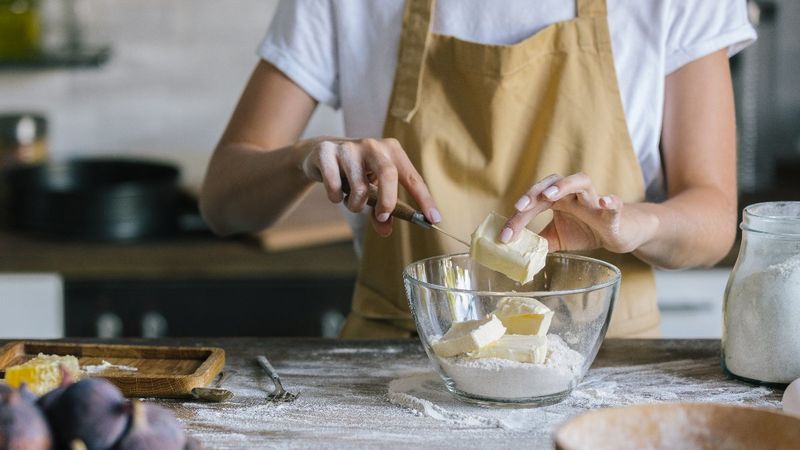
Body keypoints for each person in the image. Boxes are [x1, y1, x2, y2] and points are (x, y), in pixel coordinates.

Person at [200, 0, 756, 338]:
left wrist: (635, 224)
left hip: (605, 364)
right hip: (398, 369)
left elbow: (711, 224)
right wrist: (309, 155)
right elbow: (223, 201)